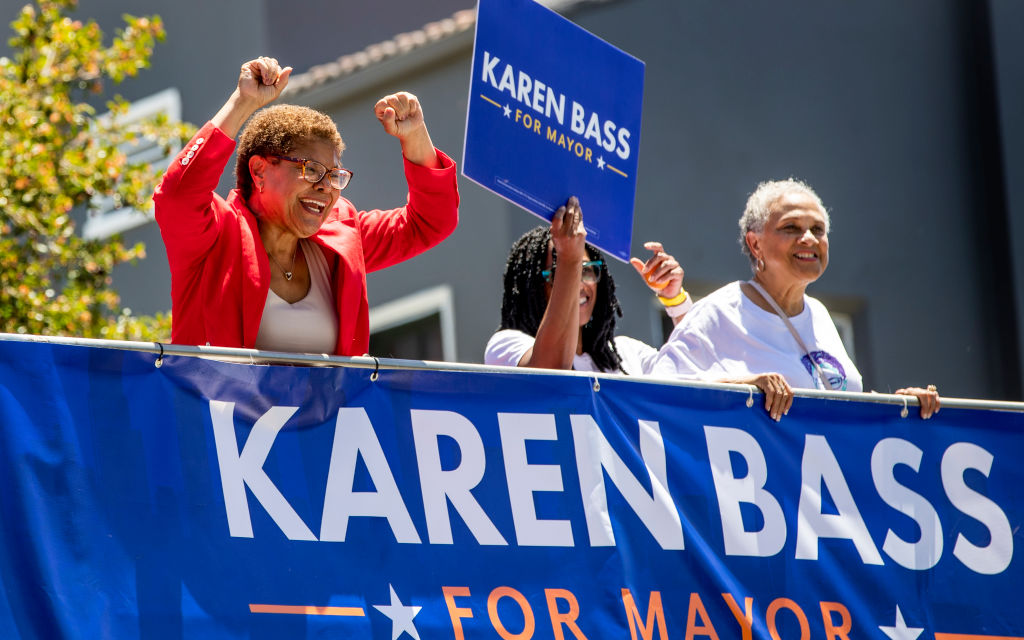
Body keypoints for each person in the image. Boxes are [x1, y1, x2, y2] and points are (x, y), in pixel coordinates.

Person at [153, 57, 459, 355]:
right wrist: (242, 102)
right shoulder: (216, 236)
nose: (325, 186)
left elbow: (431, 221)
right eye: (311, 169)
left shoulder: (343, 234)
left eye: (335, 176)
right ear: (259, 171)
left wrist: (415, 134)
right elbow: (177, 195)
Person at [652, 179, 940, 420]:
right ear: (755, 244)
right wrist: (746, 387)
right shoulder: (720, 311)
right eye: (791, 228)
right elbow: (656, 390)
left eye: (818, 229)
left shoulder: (819, 314)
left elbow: (833, 403)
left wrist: (901, 406)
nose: (808, 239)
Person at [485, 197, 691, 374]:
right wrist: (569, 258)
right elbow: (550, 374)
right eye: (560, 273)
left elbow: (694, 374)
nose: (579, 284)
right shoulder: (507, 345)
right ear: (531, 289)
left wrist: (675, 300)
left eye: (586, 270)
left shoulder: (627, 354)